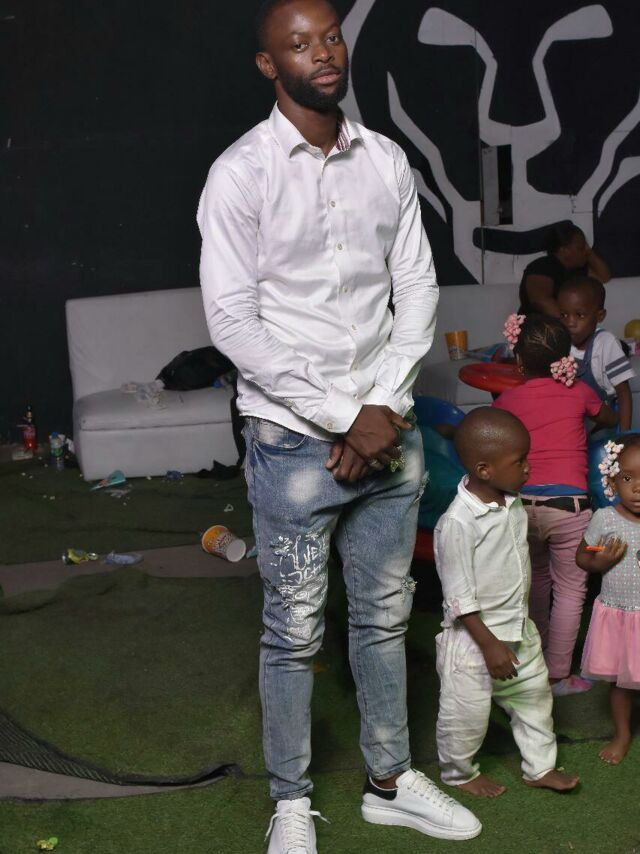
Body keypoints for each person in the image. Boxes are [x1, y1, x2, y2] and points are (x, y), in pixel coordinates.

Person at [197, 0, 480, 849]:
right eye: (299, 44)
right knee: (292, 634)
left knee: (385, 618)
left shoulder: (385, 159)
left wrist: (383, 406)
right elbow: (233, 323)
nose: (322, 53)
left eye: (329, 36)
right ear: (268, 64)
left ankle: (389, 781)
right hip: (294, 441)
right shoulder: (240, 174)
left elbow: (417, 286)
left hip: (388, 429)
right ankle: (290, 801)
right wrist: (344, 417)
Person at [434, 407, 579, 797]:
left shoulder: (512, 502)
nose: (528, 468)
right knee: (465, 714)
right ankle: (459, 773)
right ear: (484, 469)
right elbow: (458, 596)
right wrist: (489, 645)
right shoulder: (458, 523)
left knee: (534, 700)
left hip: (518, 629)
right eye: (520, 461)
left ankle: (540, 767)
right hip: (474, 642)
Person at [494, 314, 617, 695]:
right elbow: (609, 417)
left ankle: (534, 659)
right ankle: (559, 673)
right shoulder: (579, 391)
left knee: (535, 583)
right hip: (569, 508)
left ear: (518, 361)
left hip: (522, 506)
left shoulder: (507, 400)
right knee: (571, 590)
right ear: (566, 357)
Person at [577, 434, 640, 765]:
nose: (637, 488)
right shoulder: (604, 519)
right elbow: (583, 557)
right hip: (620, 616)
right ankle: (622, 733)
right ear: (613, 482)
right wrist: (599, 561)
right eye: (628, 478)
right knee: (621, 683)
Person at [557, 275, 635, 432]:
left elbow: (624, 393)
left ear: (600, 316)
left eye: (580, 315)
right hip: (574, 418)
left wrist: (625, 436)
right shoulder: (561, 342)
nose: (570, 323)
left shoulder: (606, 343)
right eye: (564, 315)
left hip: (605, 420)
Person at [518, 221, 611, 316]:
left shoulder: (578, 269)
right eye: (580, 248)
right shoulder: (542, 266)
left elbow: (604, 277)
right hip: (537, 323)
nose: (585, 252)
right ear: (564, 250)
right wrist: (569, 320)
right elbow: (541, 300)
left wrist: (589, 251)